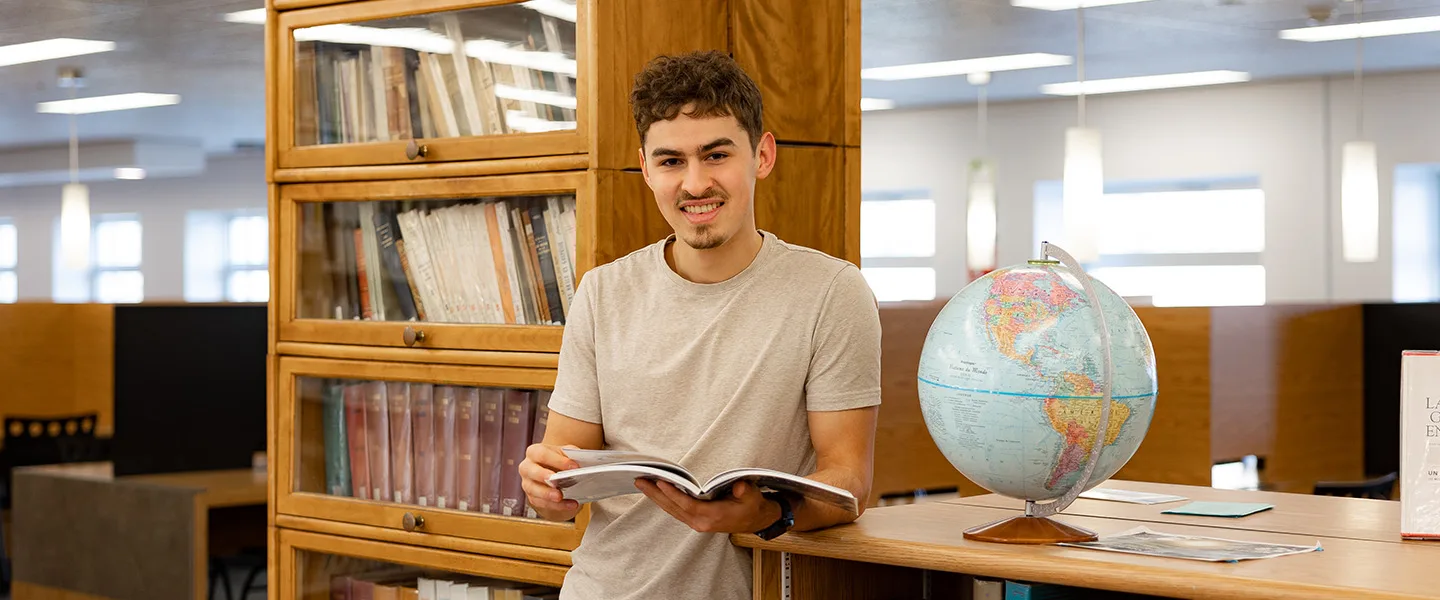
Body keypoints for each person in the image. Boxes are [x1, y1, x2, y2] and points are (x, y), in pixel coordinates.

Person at [517, 50, 882, 600]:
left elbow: (849, 482)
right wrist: (545, 488)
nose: (694, 184)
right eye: (670, 161)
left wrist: (767, 512)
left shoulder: (832, 292)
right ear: (645, 168)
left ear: (762, 154)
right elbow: (564, 470)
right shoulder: (602, 292)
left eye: (715, 155)